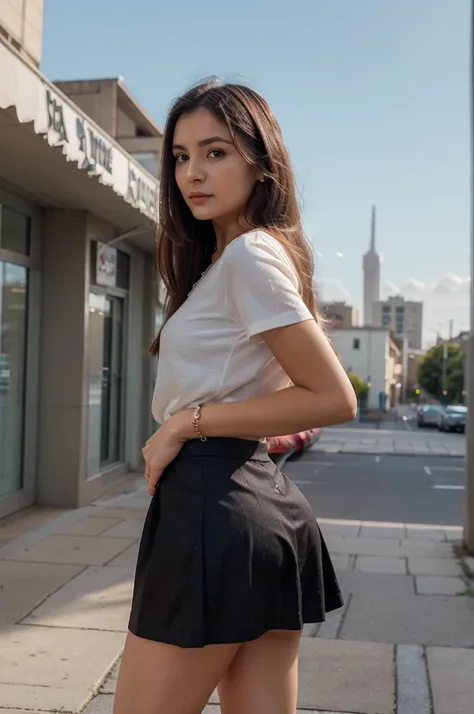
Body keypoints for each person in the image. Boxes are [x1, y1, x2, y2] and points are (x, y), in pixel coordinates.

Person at [113, 79, 357, 714]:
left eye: (215, 152)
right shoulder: (233, 262)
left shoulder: (249, 256)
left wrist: (183, 425)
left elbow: (332, 397)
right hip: (249, 505)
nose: (193, 172)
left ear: (260, 161)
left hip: (212, 512)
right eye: (181, 155)